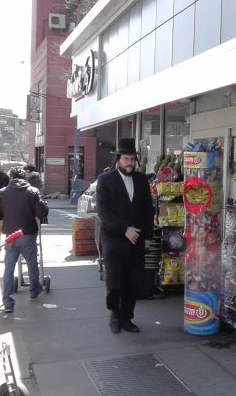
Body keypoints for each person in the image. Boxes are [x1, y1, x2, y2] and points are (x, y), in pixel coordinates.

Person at [96, 138, 154, 334]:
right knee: (115, 281)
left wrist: (147, 237)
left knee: (133, 281)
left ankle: (127, 318)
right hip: (113, 238)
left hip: (137, 239)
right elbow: (104, 212)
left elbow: (148, 210)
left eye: (132, 159)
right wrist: (124, 229)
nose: (130, 162)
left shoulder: (142, 180)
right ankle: (114, 315)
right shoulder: (105, 180)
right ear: (118, 159)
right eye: (126, 159)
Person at [0, 167, 49, 313]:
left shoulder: (3, 192)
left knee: (9, 268)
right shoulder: (32, 191)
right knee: (32, 263)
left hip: (11, 236)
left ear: (11, 177)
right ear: (25, 178)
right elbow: (42, 212)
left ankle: (8, 302)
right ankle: (34, 291)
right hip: (28, 233)